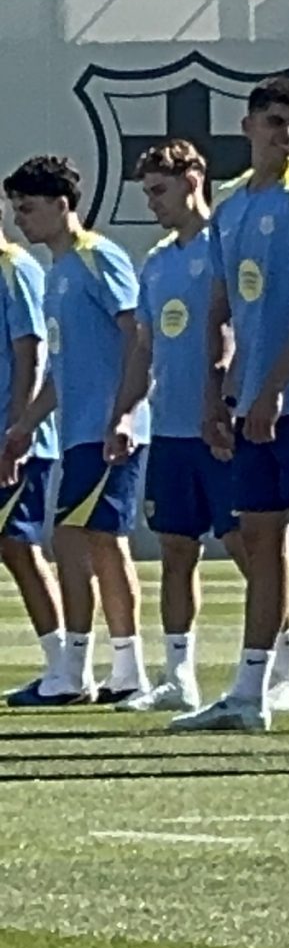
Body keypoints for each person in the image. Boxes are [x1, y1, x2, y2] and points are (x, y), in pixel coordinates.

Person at [174, 76, 289, 729]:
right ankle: (252, 690)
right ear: (249, 126)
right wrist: (217, 395)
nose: (288, 135)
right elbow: (221, 308)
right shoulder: (231, 206)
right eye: (276, 122)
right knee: (261, 543)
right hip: (253, 407)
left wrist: (274, 389)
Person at [3, 155, 150, 705]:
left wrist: (125, 413)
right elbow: (61, 371)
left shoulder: (96, 257)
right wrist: (25, 425)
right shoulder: (58, 273)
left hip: (108, 429)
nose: (21, 219)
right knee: (78, 542)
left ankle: (115, 671)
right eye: (17, 209)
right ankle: (82, 671)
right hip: (79, 431)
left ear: (61, 205)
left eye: (29, 208)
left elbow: (137, 333)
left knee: (97, 542)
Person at [120, 139, 239, 713]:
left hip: (220, 426)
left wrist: (226, 403)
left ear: (194, 180)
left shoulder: (226, 245)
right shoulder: (158, 261)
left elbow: (238, 328)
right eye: (147, 193)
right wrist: (125, 412)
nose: (153, 203)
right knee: (175, 548)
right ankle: (178, 676)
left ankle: (279, 668)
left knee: (250, 546)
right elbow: (144, 348)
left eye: (159, 191)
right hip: (169, 430)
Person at [0, 212, 68, 707]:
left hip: (15, 441)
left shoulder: (14, 267)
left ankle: (64, 666)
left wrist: (18, 427)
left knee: (18, 546)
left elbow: (32, 350)